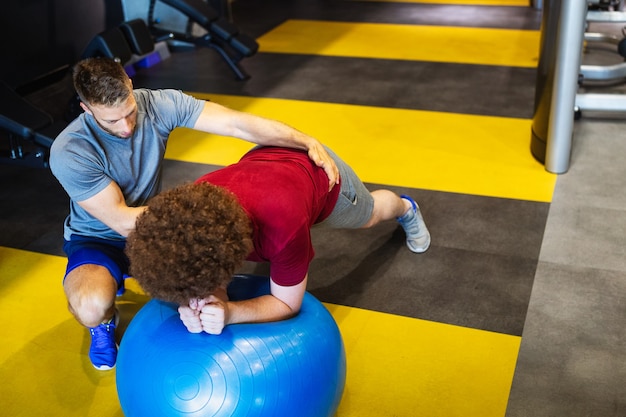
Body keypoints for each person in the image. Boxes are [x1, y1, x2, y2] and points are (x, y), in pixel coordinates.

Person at [49, 57, 340, 371]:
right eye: (112, 121)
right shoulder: (70, 151)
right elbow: (121, 220)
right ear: (87, 109)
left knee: (200, 303)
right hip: (100, 237)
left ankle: (126, 278)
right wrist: (198, 213)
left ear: (130, 86)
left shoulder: (159, 103)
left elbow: (235, 123)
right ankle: (103, 322)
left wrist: (306, 141)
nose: (126, 127)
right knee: (92, 305)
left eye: (130, 112)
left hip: (157, 228)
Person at [126, 145, 430, 336]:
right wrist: (205, 299)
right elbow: (197, 263)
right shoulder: (193, 206)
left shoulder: (282, 224)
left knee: (372, 214)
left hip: (322, 172)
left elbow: (287, 303)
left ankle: (406, 207)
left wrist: (230, 312)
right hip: (265, 160)